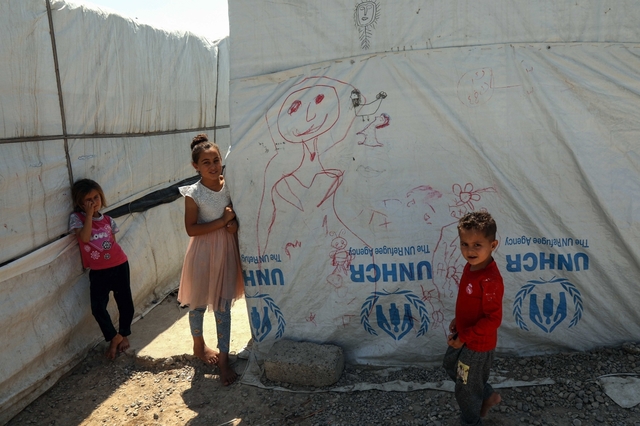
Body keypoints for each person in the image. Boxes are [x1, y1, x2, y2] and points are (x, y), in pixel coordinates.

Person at [178, 134, 244, 386]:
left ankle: (224, 359)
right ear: (195, 166)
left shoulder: (230, 184)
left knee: (223, 307)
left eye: (216, 160)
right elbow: (191, 229)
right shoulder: (193, 194)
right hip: (202, 254)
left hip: (226, 252)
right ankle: (199, 346)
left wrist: (232, 225)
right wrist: (222, 222)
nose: (213, 166)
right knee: (197, 304)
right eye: (206, 162)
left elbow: (235, 216)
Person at [442, 211, 504, 425]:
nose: (470, 250)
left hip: (477, 345)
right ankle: (487, 395)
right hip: (465, 334)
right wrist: (458, 319)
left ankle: (471, 421)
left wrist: (465, 336)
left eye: (477, 245)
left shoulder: (490, 280)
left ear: (493, 245)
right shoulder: (471, 266)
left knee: (465, 389)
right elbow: (470, 302)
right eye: (465, 244)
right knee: (450, 365)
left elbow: (493, 319)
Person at [69, 179, 134, 360]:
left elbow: (112, 243)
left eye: (96, 197)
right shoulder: (77, 219)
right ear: (80, 202)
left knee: (125, 302)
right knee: (98, 308)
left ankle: (123, 334)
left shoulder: (108, 220)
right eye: (88, 200)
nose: (93, 202)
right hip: (99, 270)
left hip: (119, 264)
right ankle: (114, 337)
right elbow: (84, 238)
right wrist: (89, 215)